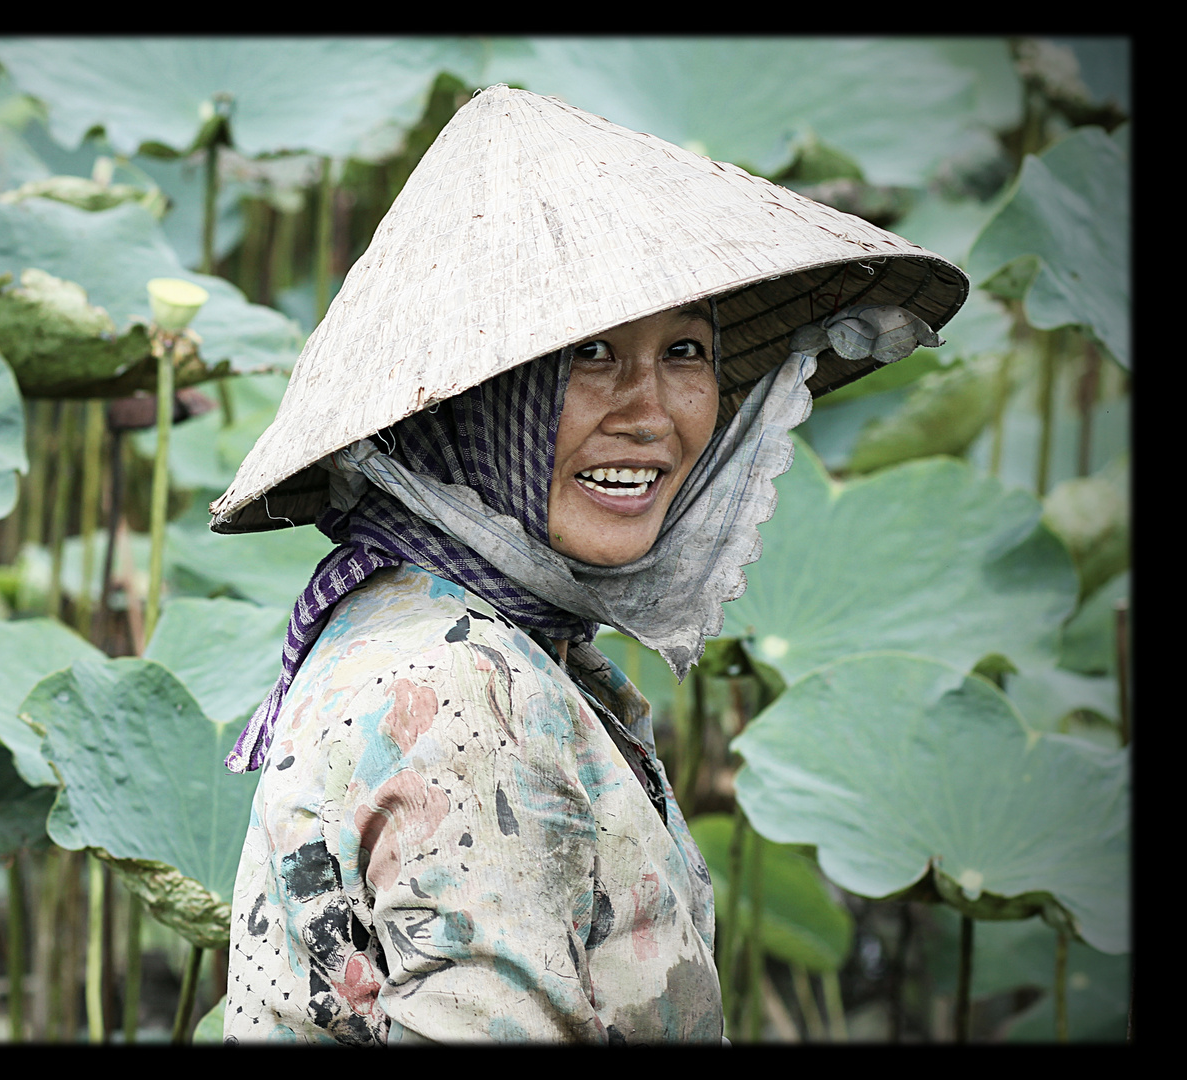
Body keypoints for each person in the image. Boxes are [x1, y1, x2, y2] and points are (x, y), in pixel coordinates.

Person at [209, 86, 963, 1045]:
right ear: (474, 398)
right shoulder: (457, 696)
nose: (652, 412)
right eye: (594, 352)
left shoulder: (463, 633)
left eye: (685, 350)